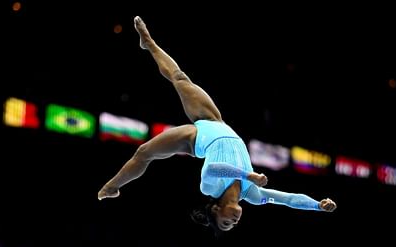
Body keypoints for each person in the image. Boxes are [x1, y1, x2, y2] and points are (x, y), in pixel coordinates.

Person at [98, 16, 337, 235]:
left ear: (215, 210)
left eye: (226, 222)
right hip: (216, 122)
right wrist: (317, 205)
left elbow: (215, 168)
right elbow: (288, 200)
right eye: (233, 224)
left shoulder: (209, 189)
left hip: (196, 138)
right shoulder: (251, 194)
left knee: (144, 153)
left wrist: (248, 174)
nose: (233, 221)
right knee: (180, 78)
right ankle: (148, 43)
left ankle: (111, 186)